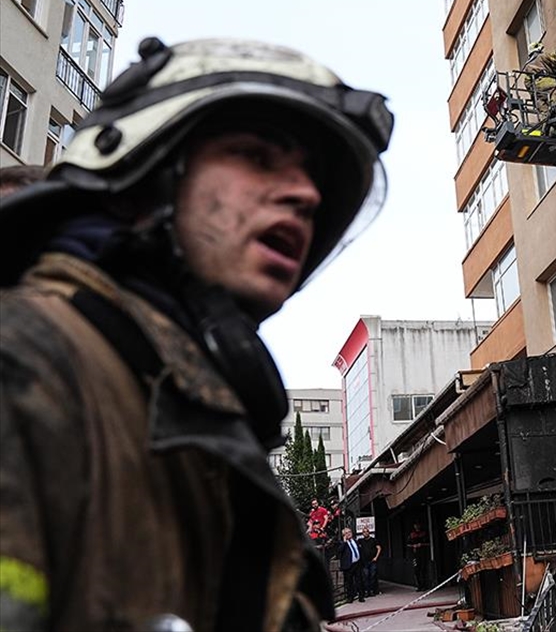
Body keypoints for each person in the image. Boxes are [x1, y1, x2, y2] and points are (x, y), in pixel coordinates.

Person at [0, 37, 393, 631]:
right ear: (144, 177)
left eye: (315, 184)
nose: (306, 194)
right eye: (258, 155)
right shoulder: (27, 360)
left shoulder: (177, 398)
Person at [337, 527, 365, 603]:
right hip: (348, 565)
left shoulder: (355, 541)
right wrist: (344, 542)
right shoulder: (342, 543)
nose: (348, 534)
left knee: (359, 580)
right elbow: (339, 551)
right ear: (343, 535)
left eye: (349, 532)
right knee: (349, 582)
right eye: (346, 533)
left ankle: (361, 596)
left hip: (357, 564)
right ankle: (350, 597)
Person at [358, 525, 381, 596]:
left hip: (372, 561)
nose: (365, 533)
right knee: (365, 576)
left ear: (369, 532)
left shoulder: (373, 540)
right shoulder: (360, 541)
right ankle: (366, 591)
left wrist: (376, 557)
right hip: (364, 562)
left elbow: (379, 548)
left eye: (366, 532)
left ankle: (372, 590)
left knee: (373, 575)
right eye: (364, 532)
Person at [407, 521, 430, 590]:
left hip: (423, 554)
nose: (417, 526)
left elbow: (429, 543)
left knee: (423, 569)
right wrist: (414, 546)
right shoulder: (411, 534)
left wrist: (421, 544)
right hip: (415, 555)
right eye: (415, 525)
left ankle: (424, 585)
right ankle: (419, 585)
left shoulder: (424, 533)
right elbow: (408, 544)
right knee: (416, 570)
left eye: (418, 525)